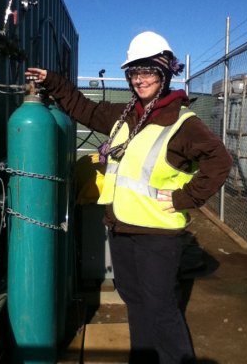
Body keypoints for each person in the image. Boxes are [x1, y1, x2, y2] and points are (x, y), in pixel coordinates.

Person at [25, 31, 232, 364]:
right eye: (134, 72)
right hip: (121, 229)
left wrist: (186, 197)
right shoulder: (128, 115)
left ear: (165, 73)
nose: (140, 79)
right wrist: (54, 81)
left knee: (161, 308)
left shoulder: (181, 122)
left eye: (148, 71)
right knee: (134, 301)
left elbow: (220, 161)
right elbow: (85, 109)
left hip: (157, 236)